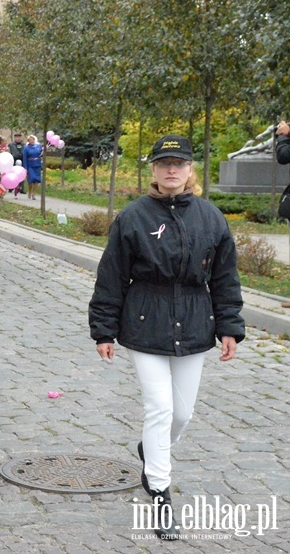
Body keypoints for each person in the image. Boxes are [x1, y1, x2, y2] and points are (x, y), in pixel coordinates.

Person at [88, 134, 244, 541]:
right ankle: (159, 491)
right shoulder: (133, 217)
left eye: (179, 163)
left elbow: (225, 278)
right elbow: (111, 277)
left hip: (195, 322)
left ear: (191, 169)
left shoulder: (211, 218)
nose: (171, 169)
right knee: (159, 408)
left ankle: (149, 448)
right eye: (163, 163)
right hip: (145, 322)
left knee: (182, 414)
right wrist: (103, 329)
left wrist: (229, 326)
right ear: (154, 170)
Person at [23, 134, 44, 200]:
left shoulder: (38, 147)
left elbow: (41, 154)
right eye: (30, 139)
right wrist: (25, 168)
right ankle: (29, 191)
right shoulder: (26, 148)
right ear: (28, 141)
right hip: (30, 165)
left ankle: (34, 194)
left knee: (37, 180)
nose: (32, 141)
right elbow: (24, 158)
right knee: (31, 180)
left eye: (33, 139)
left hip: (37, 165)